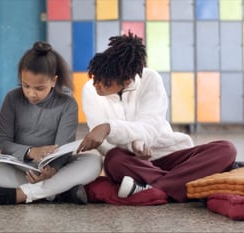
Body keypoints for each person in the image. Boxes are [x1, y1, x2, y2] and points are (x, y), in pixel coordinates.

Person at [77, 32, 237, 203]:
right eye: (95, 78)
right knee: (113, 159)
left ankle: (153, 190)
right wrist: (133, 146)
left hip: (167, 155)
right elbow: (103, 143)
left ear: (127, 81)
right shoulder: (89, 90)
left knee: (226, 149)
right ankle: (177, 185)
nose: (97, 86)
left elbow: (150, 127)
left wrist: (110, 128)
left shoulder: (150, 79)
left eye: (106, 83)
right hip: (133, 164)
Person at [0, 41, 102, 205]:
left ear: (54, 81)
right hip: (20, 167)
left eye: (39, 88)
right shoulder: (12, 98)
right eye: (26, 86)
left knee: (93, 161)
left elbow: (64, 147)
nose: (31, 93)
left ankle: (22, 194)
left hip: (53, 170)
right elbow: (3, 142)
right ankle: (57, 192)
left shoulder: (67, 104)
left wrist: (53, 170)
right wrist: (30, 152)